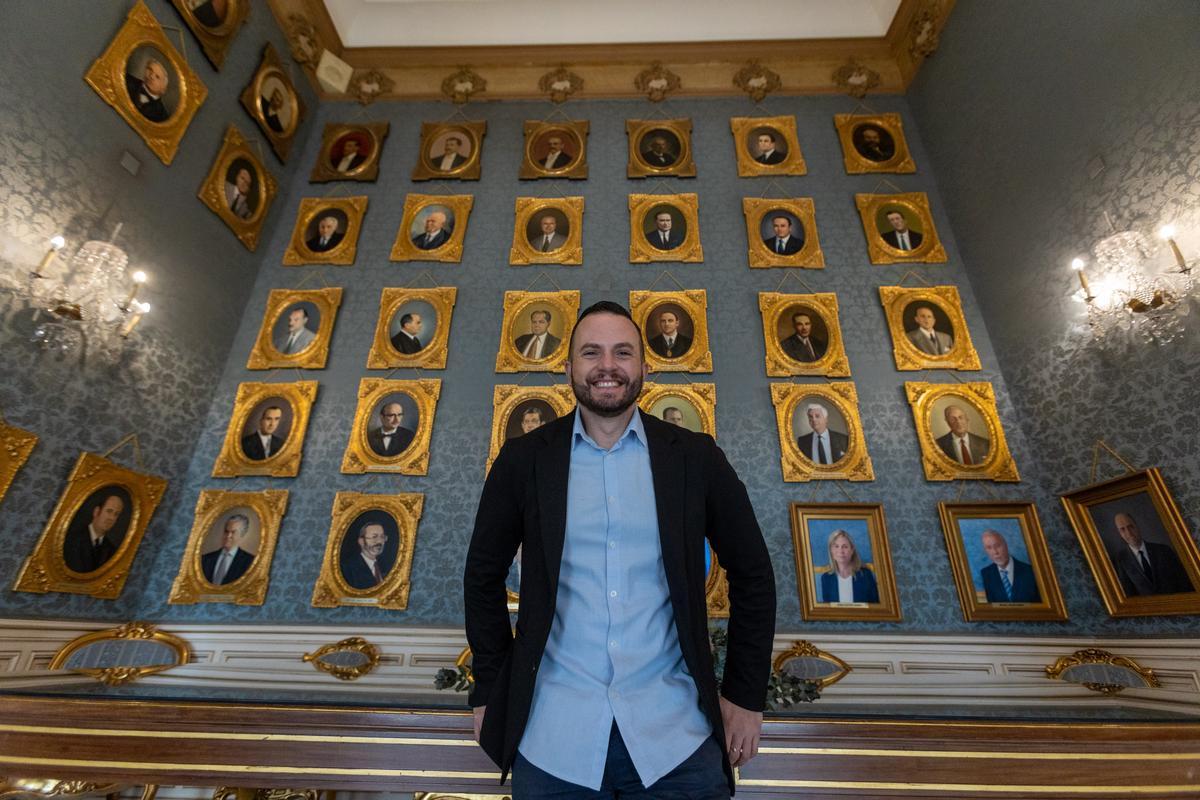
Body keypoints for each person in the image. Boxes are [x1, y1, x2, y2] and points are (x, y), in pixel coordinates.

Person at [464, 299, 776, 797]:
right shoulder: (523, 460)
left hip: (677, 742)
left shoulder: (696, 457)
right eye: (592, 352)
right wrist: (489, 692)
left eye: (622, 352)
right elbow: (482, 576)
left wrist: (744, 695)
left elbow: (753, 573)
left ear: (643, 367)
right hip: (551, 742)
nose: (607, 366)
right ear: (568, 368)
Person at [1110, 512, 1194, 597]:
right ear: (1119, 533)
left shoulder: (1164, 550)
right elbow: (1128, 595)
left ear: (1137, 526)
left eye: (1130, 527)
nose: (1129, 533)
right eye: (1122, 529)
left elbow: (1184, 582)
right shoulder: (1120, 560)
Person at [62, 492, 125, 573]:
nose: (111, 518)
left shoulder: (112, 551)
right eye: (109, 511)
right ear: (96, 511)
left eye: (116, 514)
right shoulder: (72, 539)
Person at [979, 529, 1040, 603]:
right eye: (989, 548)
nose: (995, 552)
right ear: (985, 550)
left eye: (997, 545)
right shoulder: (986, 574)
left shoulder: (1031, 571)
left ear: (1006, 545)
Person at [819, 529, 879, 603]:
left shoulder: (866, 575)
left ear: (852, 550)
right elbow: (828, 610)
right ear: (831, 550)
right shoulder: (826, 578)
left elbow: (875, 607)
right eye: (836, 546)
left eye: (845, 547)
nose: (840, 551)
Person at [200, 514, 256, 586]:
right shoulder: (205, 559)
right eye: (226, 531)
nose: (228, 536)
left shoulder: (250, 562)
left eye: (233, 532)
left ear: (242, 535)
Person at [340, 520, 394, 590]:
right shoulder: (348, 568)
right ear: (361, 541)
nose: (379, 541)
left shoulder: (386, 565)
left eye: (382, 537)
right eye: (374, 537)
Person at [124, 57, 170, 123]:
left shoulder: (162, 116)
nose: (151, 76)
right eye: (150, 70)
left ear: (163, 89)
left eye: (157, 77)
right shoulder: (127, 81)